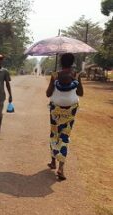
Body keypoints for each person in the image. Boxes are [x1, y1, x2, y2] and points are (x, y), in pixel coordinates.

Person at [46, 53, 84, 181]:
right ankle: (61, 167)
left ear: (61, 62)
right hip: (71, 109)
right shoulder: (76, 75)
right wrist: (77, 80)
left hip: (55, 108)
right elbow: (80, 93)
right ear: (72, 62)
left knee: (54, 133)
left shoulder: (55, 75)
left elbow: (48, 93)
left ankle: (53, 162)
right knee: (65, 135)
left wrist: (53, 80)